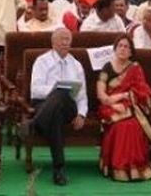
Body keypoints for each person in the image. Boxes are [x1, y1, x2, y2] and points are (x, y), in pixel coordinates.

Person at [97, 35, 151, 181]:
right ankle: (117, 169)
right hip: (110, 107)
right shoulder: (107, 67)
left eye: (127, 47)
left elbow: (141, 92)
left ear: (131, 52)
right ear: (115, 49)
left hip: (133, 108)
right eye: (120, 46)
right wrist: (116, 99)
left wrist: (126, 98)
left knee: (133, 126)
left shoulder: (135, 68)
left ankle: (137, 169)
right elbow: (101, 95)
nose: (123, 49)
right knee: (120, 126)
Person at [29, 28, 88, 185]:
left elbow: (82, 95)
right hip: (44, 104)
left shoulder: (76, 65)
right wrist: (54, 91)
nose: (65, 42)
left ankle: (36, 123)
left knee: (62, 95)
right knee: (56, 109)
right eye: (61, 39)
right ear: (53, 42)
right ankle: (59, 169)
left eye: (68, 39)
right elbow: (35, 91)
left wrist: (82, 115)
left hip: (69, 106)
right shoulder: (42, 61)